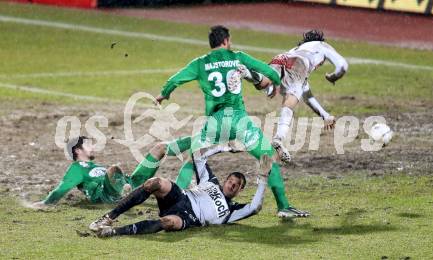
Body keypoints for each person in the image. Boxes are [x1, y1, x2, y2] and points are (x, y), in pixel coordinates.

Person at [145, 25, 309, 218]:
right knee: (267, 157)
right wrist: (267, 84)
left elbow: (175, 80)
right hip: (239, 120)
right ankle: (283, 206)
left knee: (193, 159)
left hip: (214, 123)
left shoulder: (200, 63)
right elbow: (271, 74)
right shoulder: (237, 57)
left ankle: (175, 203)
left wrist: (163, 95)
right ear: (226, 40)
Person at [89, 145, 272, 237]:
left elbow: (255, 207)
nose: (231, 185)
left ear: (240, 190)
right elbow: (198, 154)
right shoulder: (211, 181)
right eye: (230, 181)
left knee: (167, 222)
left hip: (190, 217)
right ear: (225, 180)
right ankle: (108, 217)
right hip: (181, 196)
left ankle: (113, 232)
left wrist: (263, 179)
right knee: (155, 183)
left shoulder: (233, 211)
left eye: (236, 185)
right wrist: (224, 148)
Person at [243, 30, 349, 163]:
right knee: (290, 101)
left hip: (282, 58)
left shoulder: (297, 50)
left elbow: (307, 95)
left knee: (262, 83)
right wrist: (334, 76)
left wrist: (325, 115)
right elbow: (343, 66)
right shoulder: (321, 45)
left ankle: (245, 72)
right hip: (298, 64)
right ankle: (278, 139)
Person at [31, 136, 164, 208]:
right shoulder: (77, 167)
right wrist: (46, 202)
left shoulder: (95, 165)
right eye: (88, 145)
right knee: (113, 170)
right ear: (78, 151)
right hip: (107, 195)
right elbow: (62, 188)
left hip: (125, 183)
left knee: (158, 149)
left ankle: (129, 190)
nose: (93, 147)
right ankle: (126, 193)